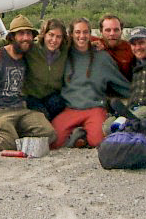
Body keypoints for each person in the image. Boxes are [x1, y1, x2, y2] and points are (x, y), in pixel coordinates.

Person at [0, 15, 56, 152]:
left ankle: (10, 135)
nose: (26, 38)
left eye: (29, 34)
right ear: (12, 37)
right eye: (21, 34)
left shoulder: (29, 54)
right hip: (0, 111)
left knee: (48, 133)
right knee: (8, 142)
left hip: (21, 109)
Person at [51, 17, 130, 149]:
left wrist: (141, 97)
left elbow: (120, 83)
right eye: (77, 32)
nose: (81, 36)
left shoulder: (102, 57)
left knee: (98, 142)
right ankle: (79, 134)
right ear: (71, 34)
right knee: (54, 141)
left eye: (85, 32)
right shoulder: (64, 55)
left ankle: (83, 135)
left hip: (95, 108)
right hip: (70, 108)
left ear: (90, 34)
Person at [0, 17, 69, 120]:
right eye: (51, 35)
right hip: (31, 97)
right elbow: (8, 41)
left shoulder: (65, 49)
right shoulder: (32, 47)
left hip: (52, 96)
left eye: (58, 37)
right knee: (42, 116)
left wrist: (94, 44)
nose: (54, 40)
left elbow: (82, 42)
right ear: (44, 34)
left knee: (59, 106)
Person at [103, 26, 146, 131]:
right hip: (133, 109)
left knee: (134, 119)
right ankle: (132, 129)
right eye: (134, 44)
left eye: (141, 43)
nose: (137, 47)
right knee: (108, 126)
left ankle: (133, 127)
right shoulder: (134, 65)